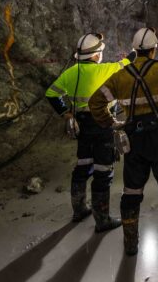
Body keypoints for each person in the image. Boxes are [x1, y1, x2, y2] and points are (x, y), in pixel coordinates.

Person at [89, 28, 158, 255]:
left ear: (135, 50)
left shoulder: (121, 76)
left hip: (134, 140)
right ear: (153, 48)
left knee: (131, 193)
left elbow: (95, 102)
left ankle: (130, 245)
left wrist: (112, 124)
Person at [45, 33, 129, 233]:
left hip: (82, 124)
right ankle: (102, 220)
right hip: (102, 123)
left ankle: (79, 210)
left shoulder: (71, 73)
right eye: (100, 52)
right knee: (103, 170)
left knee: (83, 166)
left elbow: (51, 93)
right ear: (95, 55)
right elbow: (129, 62)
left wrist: (66, 115)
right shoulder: (105, 69)